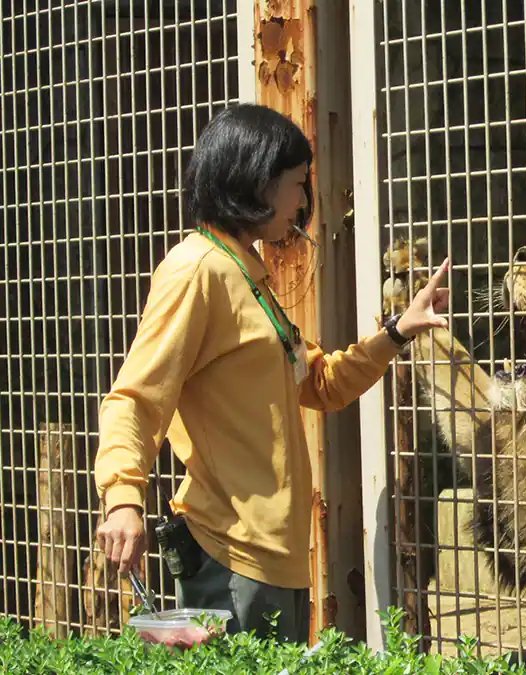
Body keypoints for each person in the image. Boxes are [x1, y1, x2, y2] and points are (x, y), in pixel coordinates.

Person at [93, 103, 449, 643]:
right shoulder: (197, 270)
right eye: (297, 183)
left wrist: (398, 331)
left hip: (273, 557)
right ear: (257, 181)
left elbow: (321, 383)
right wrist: (122, 497)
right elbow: (134, 398)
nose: (304, 201)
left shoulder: (246, 273)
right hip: (230, 556)